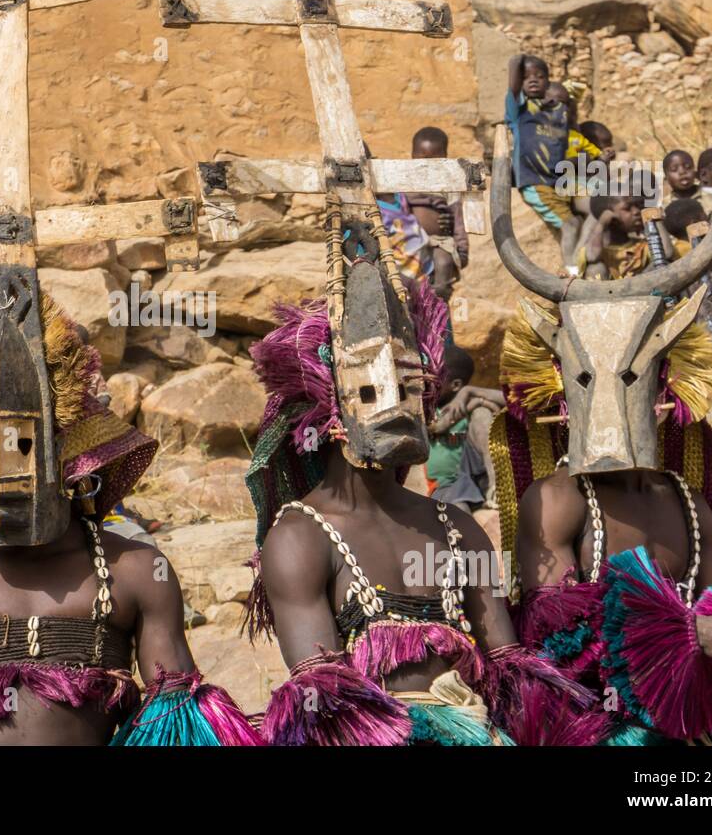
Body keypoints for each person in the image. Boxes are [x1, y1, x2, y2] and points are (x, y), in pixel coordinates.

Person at [489, 113, 712, 745]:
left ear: (665, 381)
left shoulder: (689, 504)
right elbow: (554, 643)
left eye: (633, 375)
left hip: (694, 725)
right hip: (599, 729)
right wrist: (695, 632)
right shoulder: (552, 502)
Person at [0, 293, 257, 746]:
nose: (4, 478)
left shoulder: (136, 571)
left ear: (71, 463)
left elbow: (178, 725)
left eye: (27, 450)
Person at [243, 231, 587, 745]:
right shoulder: (298, 538)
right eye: (372, 390)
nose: (401, 408)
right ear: (328, 407)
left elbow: (507, 670)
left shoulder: (458, 529)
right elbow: (328, 705)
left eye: (412, 389)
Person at [427, 343, 504, 510]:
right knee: (459, 510)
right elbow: (437, 427)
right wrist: (473, 402)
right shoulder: (427, 408)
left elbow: (514, 402)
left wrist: (470, 392)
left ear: (455, 385)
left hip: (477, 477)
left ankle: (497, 487)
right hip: (447, 485)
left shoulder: (465, 402)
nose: (428, 379)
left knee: (482, 414)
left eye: (435, 376)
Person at [504, 56, 569, 232]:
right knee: (571, 225)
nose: (532, 79)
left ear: (548, 81)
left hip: (560, 181)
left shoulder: (558, 112)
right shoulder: (519, 111)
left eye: (539, 76)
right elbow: (514, 75)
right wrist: (519, 58)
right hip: (535, 183)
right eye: (526, 77)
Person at [404, 126, 469, 299]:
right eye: (422, 159)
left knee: (443, 263)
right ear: (412, 156)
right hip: (412, 242)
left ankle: (439, 309)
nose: (428, 166)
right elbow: (399, 212)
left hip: (440, 242)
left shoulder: (449, 186)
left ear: (445, 158)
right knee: (410, 274)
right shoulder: (403, 184)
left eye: (435, 160)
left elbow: (458, 220)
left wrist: (462, 251)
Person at [581, 193, 651, 279]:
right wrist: (601, 223)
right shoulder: (598, 251)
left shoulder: (643, 246)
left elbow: (668, 253)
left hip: (641, 289)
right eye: (627, 208)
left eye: (637, 206)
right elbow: (592, 257)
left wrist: (651, 217)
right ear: (609, 216)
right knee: (595, 268)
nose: (636, 211)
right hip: (607, 291)